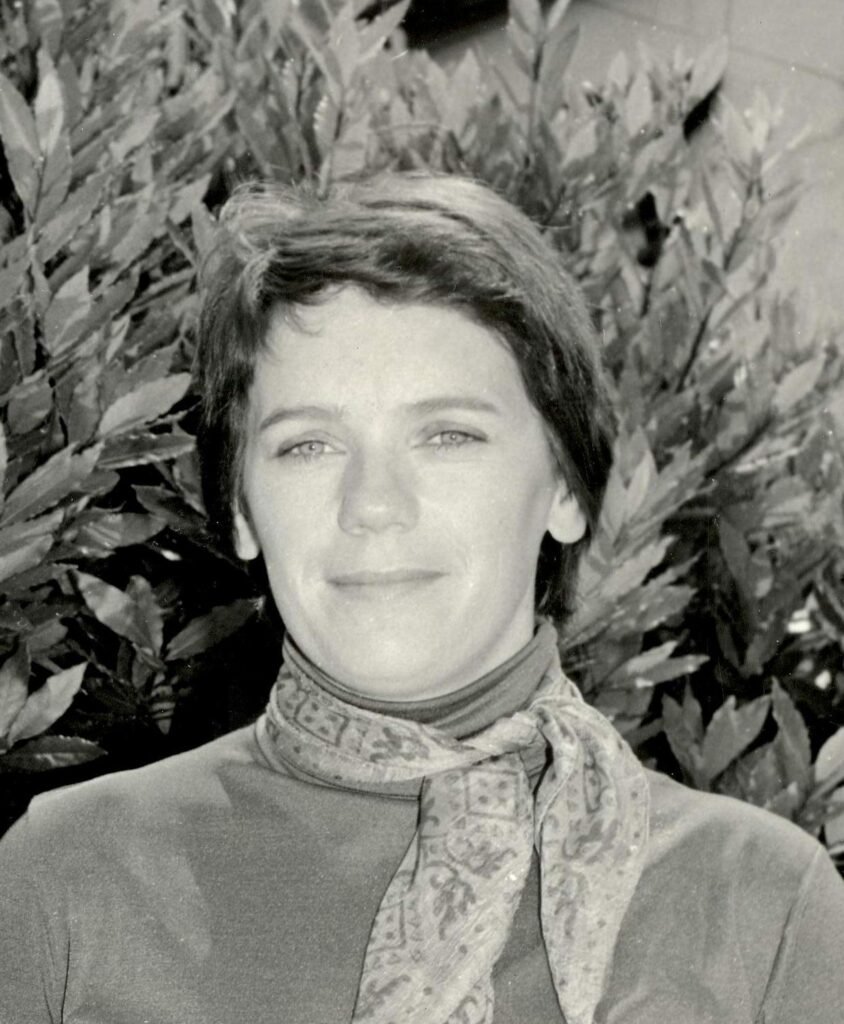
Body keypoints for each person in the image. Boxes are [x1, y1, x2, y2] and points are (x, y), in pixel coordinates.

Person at [1, 172, 843, 1024]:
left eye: (447, 435)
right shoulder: (68, 882)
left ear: (565, 489)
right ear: (243, 508)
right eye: (308, 445)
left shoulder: (759, 909)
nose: (373, 504)